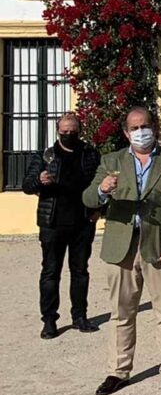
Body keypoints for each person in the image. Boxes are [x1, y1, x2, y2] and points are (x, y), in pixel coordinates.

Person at [84, 106, 161, 395]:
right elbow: (87, 198)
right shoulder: (111, 161)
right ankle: (118, 371)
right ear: (125, 132)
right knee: (122, 312)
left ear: (155, 127)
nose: (140, 132)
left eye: (144, 126)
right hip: (120, 246)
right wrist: (102, 190)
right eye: (134, 128)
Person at [23, 112, 102, 339]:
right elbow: (26, 185)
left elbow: (101, 184)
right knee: (50, 273)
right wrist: (39, 180)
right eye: (64, 132)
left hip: (82, 222)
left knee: (80, 272)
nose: (68, 135)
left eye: (72, 132)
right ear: (57, 131)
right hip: (52, 223)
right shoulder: (46, 156)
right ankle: (49, 320)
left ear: (80, 131)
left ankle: (80, 317)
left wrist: (99, 210)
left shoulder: (90, 154)